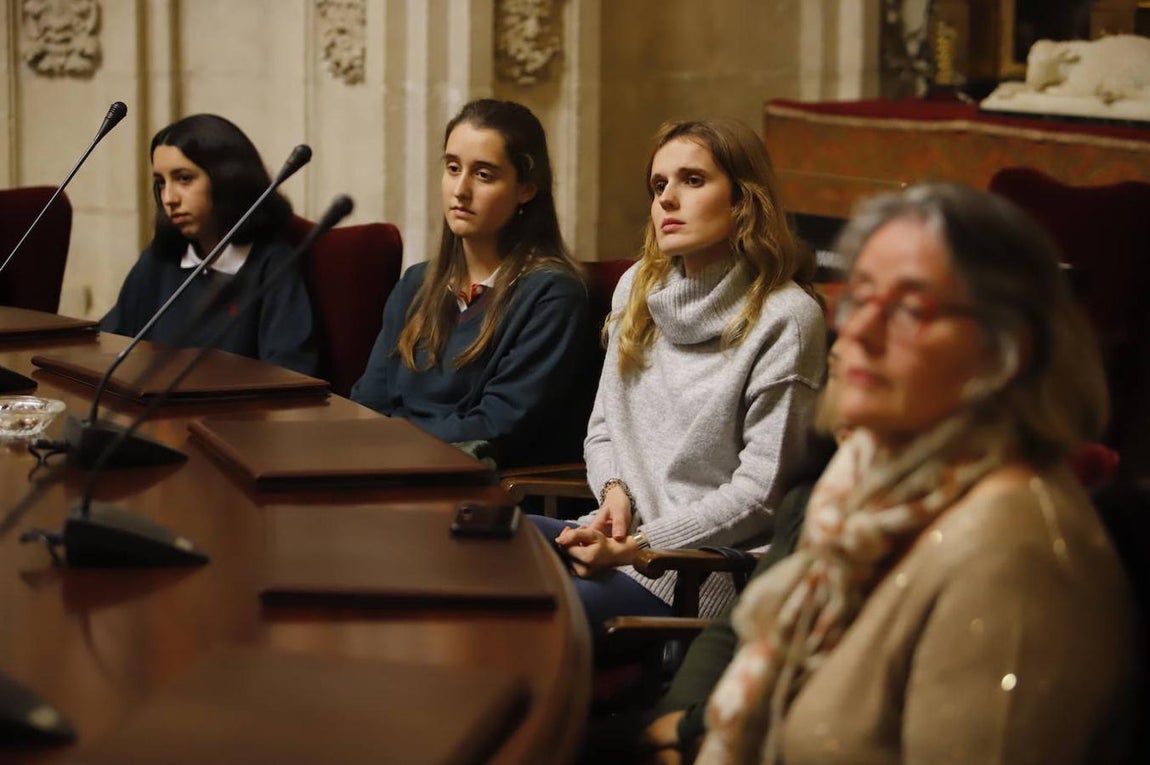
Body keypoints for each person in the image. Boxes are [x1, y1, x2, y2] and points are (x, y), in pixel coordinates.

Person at [646, 184, 1136, 765]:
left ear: (1008, 349)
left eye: (910, 309)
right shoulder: (866, 480)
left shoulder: (1011, 555)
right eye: (862, 298)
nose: (861, 333)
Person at [537, 118, 827, 630]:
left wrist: (640, 545)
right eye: (659, 185)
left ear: (743, 201)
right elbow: (604, 428)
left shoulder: (786, 318)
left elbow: (762, 495)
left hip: (692, 574)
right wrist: (615, 494)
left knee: (511, 612)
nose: (668, 198)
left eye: (693, 180)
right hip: (614, 544)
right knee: (467, 547)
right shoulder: (637, 288)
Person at [350, 99, 592, 469]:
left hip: (476, 490)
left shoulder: (552, 294)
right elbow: (368, 402)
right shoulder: (417, 282)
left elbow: (497, 425)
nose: (460, 190)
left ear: (526, 188)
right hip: (389, 471)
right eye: (452, 168)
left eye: (484, 174)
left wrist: (390, 440)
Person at [101, 114, 319, 376]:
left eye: (183, 179)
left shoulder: (272, 265)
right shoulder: (159, 260)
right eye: (161, 183)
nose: (169, 198)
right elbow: (108, 345)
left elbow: (291, 374)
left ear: (226, 179)